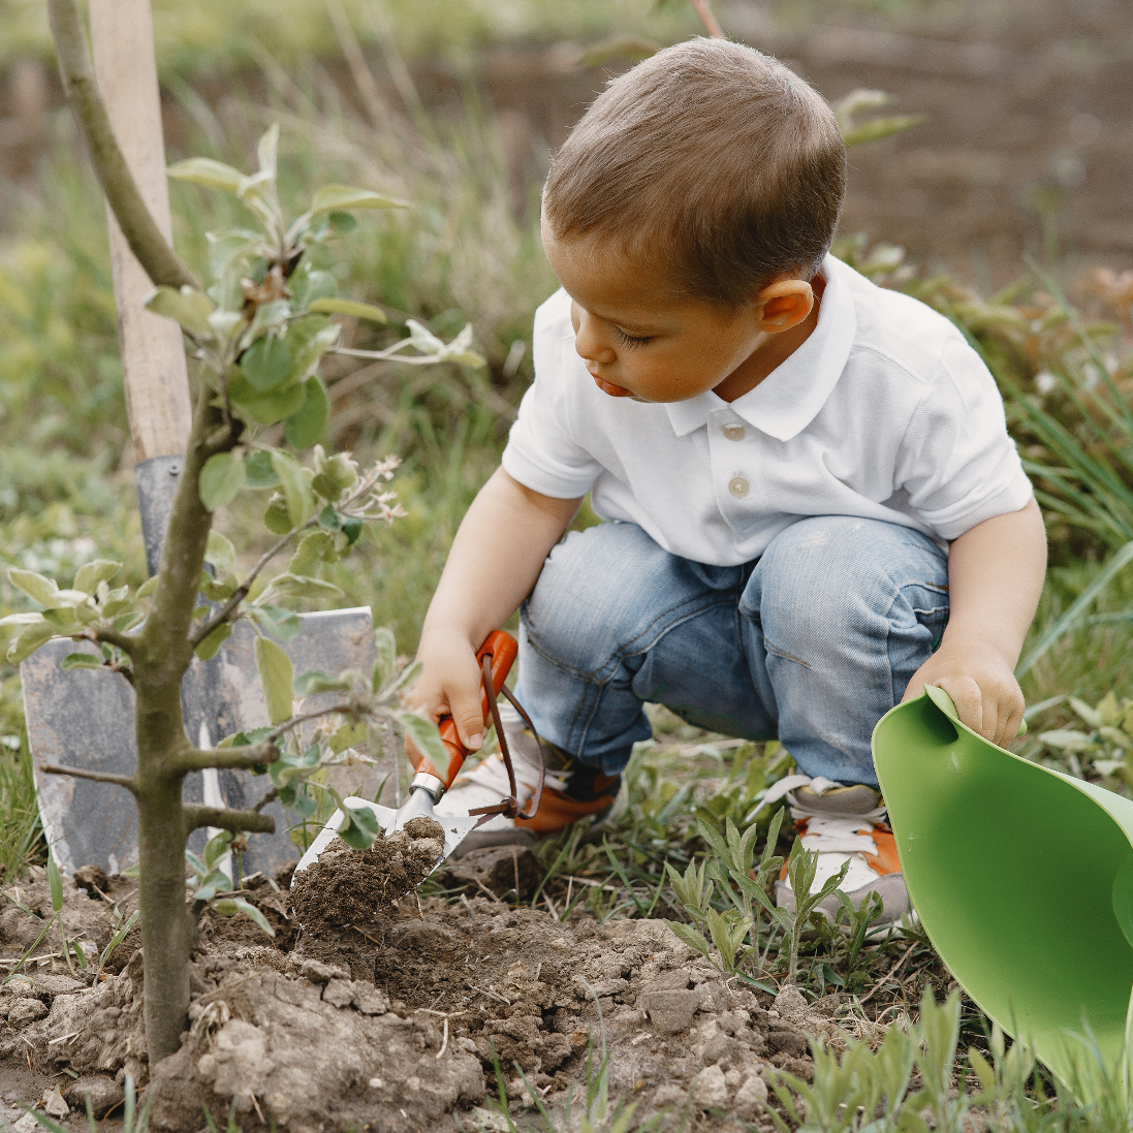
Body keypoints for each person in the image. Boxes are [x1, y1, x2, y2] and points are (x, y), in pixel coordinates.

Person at [410, 37, 1047, 922]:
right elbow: (527, 494)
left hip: (855, 645)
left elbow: (998, 519)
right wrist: (453, 623)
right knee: (584, 580)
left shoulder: (905, 371)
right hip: (696, 634)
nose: (588, 342)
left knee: (823, 564)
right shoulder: (583, 347)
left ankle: (858, 805)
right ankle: (559, 761)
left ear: (777, 308)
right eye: (575, 304)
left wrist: (976, 647)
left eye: (631, 330)